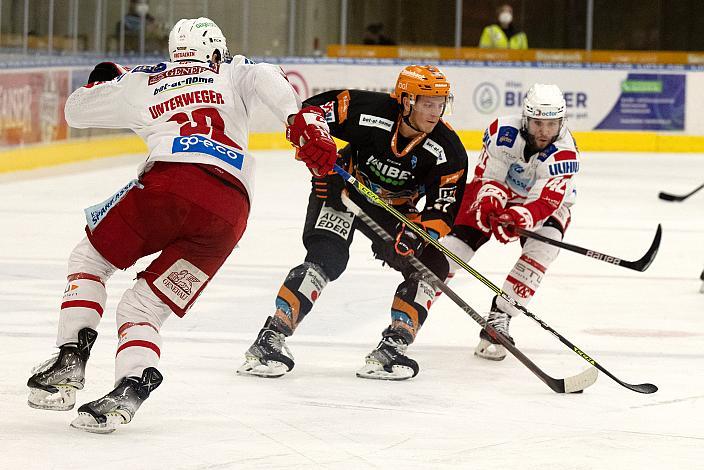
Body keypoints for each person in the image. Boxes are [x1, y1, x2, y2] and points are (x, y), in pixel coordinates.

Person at [26, 17, 337, 433]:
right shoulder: (233, 69)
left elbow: (75, 112)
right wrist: (300, 120)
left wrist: (105, 80)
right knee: (143, 308)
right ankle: (132, 383)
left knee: (90, 257)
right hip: (228, 215)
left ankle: (70, 358)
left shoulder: (144, 81)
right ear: (215, 51)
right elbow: (269, 76)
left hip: (167, 186)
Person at [237, 65, 468, 381]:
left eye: (441, 103)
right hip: (340, 189)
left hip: (394, 211)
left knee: (431, 267)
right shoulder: (368, 109)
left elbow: (444, 207)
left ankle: (392, 347)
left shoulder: (448, 149)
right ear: (406, 100)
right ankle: (270, 338)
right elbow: (311, 114)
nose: (435, 111)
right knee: (327, 258)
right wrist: (315, 149)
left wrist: (420, 234)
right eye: (428, 102)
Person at [442, 83, 578, 360]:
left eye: (552, 124)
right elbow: (489, 177)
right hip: (495, 190)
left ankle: (500, 317)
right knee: (452, 252)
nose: (544, 131)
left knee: (546, 246)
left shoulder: (565, 154)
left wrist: (518, 217)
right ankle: (412, 309)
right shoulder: (502, 133)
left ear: (561, 123)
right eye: (538, 123)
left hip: (540, 204)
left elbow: (544, 202)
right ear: (526, 119)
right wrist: (492, 202)